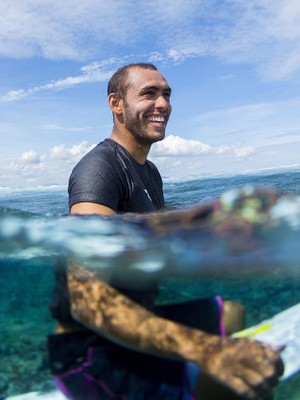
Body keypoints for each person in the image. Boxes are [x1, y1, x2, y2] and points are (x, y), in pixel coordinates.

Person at [47, 63, 284, 399]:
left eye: (166, 94)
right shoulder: (98, 170)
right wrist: (207, 351)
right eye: (149, 93)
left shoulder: (149, 171)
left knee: (232, 313)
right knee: (239, 383)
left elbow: (166, 230)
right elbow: (89, 302)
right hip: (87, 351)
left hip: (136, 321)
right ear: (116, 104)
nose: (163, 104)